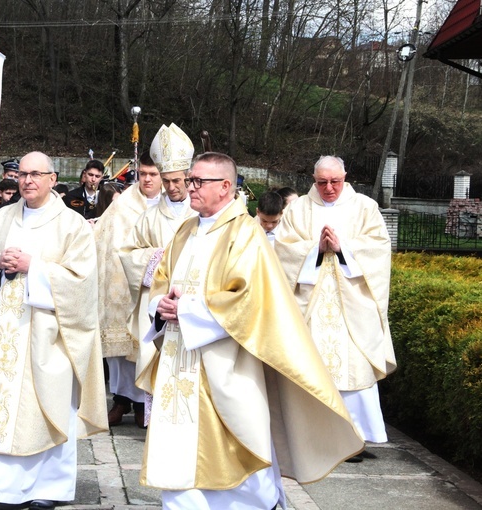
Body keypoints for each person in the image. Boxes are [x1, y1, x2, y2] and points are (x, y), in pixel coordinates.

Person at [138, 152, 364, 509]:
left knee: (239, 445)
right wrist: (160, 307)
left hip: (226, 361)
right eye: (190, 180)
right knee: (178, 454)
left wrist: (187, 310)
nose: (189, 188)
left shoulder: (245, 233)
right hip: (179, 361)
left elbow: (248, 298)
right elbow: (160, 282)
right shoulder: (184, 230)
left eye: (198, 182)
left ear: (226, 187)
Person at [0, 151, 107, 510]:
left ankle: (47, 487)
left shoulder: (71, 225)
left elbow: (83, 281)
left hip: (47, 334)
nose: (27, 181)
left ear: (53, 179)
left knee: (45, 408)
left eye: (36, 174)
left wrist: (34, 268)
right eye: (23, 174)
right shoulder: (1, 218)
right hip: (3, 333)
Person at [274, 155, 396, 462]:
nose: (329, 188)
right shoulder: (298, 208)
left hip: (352, 305)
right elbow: (282, 250)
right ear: (313, 180)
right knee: (315, 368)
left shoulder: (365, 207)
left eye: (335, 182)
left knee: (354, 368)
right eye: (322, 182)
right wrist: (315, 248)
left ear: (346, 177)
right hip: (312, 304)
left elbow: (380, 249)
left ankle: (355, 438)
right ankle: (319, 439)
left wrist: (343, 249)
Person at [118, 123, 197, 429]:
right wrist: (155, 258)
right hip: (159, 301)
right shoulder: (149, 217)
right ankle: (159, 419)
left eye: (177, 180)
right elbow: (128, 253)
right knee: (159, 357)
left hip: (191, 298)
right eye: (167, 180)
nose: (172, 186)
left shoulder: (201, 213)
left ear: (189, 177)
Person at [94, 150, 162, 427]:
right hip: (121, 285)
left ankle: (144, 402)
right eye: (142, 174)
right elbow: (103, 239)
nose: (146, 180)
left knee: (149, 344)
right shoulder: (122, 205)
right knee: (121, 349)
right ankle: (121, 399)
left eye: (153, 175)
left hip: (156, 287)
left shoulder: (174, 206)